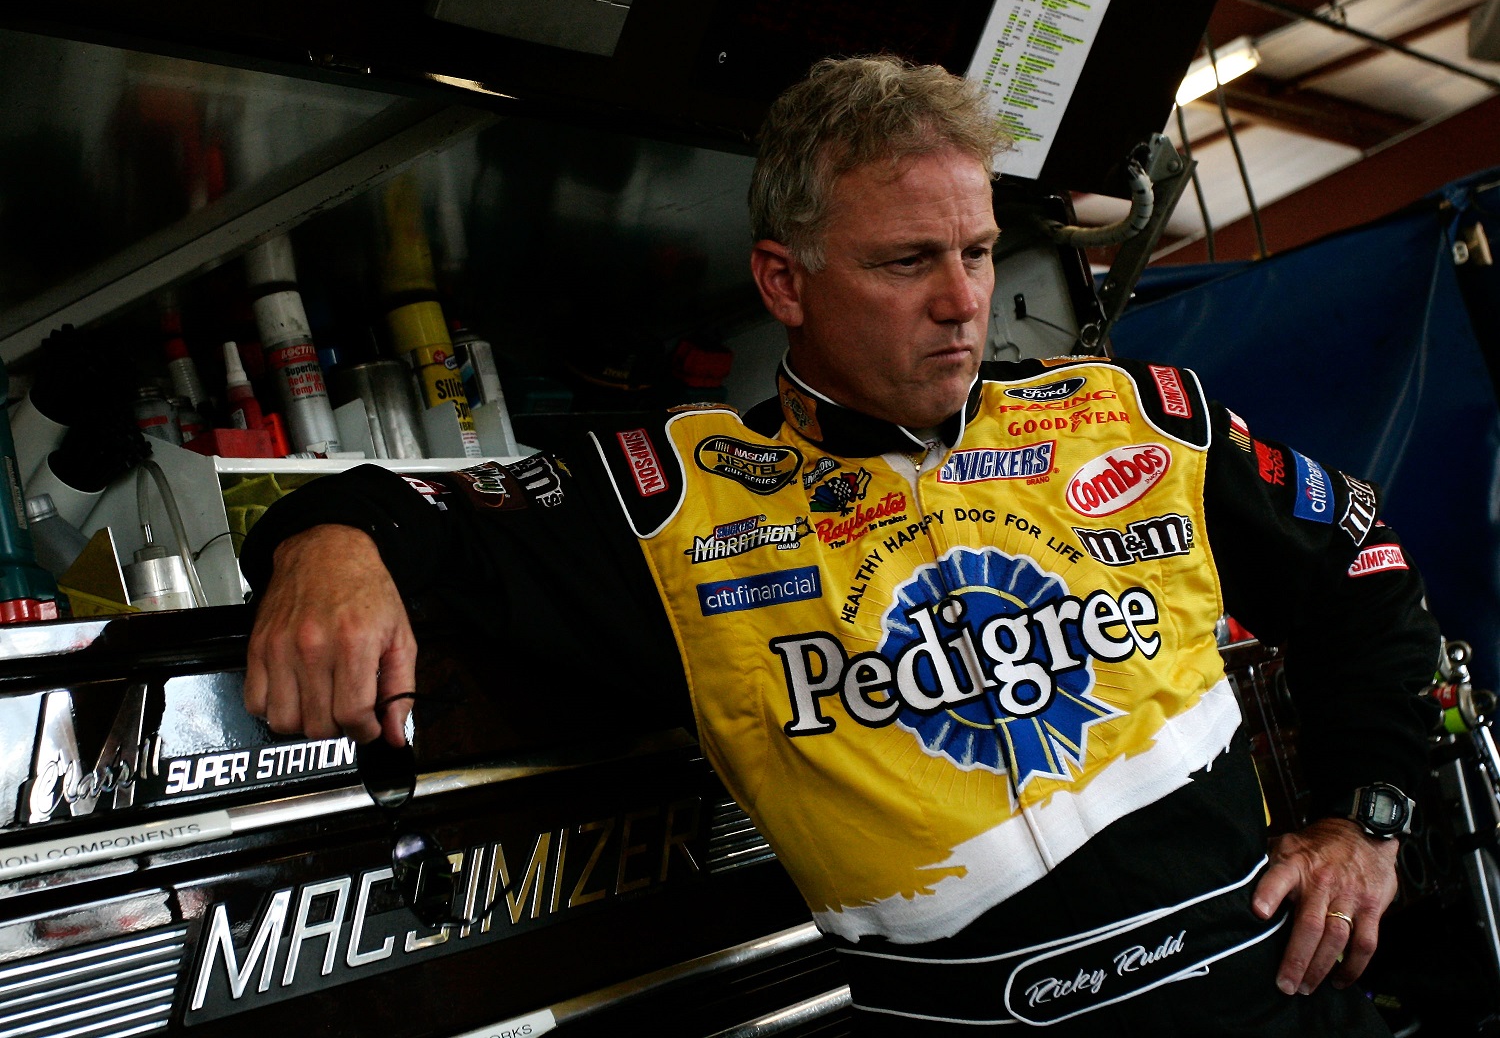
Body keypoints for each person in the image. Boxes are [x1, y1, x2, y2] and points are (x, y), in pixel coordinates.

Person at [241, 56, 1441, 1036]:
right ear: (785, 278)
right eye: (906, 261)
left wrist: (1367, 820)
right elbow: (418, 507)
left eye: (972, 250)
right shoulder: (677, 500)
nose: (963, 298)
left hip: (1272, 1005)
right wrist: (327, 539)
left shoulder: (1134, 416)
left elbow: (1367, 568)